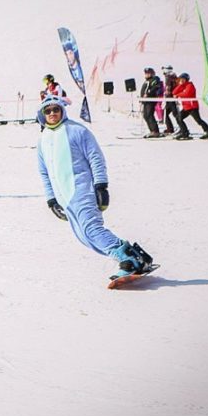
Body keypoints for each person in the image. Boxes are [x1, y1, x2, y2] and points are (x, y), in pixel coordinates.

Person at [37, 96, 153, 281]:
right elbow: (44, 172)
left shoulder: (76, 130)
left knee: (92, 229)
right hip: (64, 197)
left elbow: (95, 157)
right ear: (42, 114)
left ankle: (129, 259)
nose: (52, 114)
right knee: (84, 237)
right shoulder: (43, 139)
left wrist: (101, 186)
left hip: (81, 190)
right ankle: (135, 258)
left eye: (56, 109)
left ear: (62, 111)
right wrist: (52, 200)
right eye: (48, 111)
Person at [171, 73, 208, 139]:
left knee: (198, 120)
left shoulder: (190, 85)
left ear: (186, 79)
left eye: (183, 79)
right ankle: (184, 133)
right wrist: (180, 85)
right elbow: (174, 92)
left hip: (192, 107)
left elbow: (186, 94)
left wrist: (178, 95)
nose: (181, 80)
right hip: (186, 107)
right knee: (178, 118)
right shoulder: (183, 86)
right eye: (180, 79)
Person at [160, 66, 187, 137]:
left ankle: (183, 129)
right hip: (169, 99)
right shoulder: (172, 77)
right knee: (165, 113)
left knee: (175, 114)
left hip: (171, 99)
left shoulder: (170, 77)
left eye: (164, 70)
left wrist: (167, 93)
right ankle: (170, 128)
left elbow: (169, 88)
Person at [139, 67, 163, 138]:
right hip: (146, 101)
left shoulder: (154, 79)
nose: (146, 75)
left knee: (149, 115)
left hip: (150, 100)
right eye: (146, 73)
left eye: (148, 73)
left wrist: (148, 93)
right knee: (146, 115)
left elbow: (155, 87)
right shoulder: (147, 81)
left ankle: (155, 131)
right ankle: (152, 130)